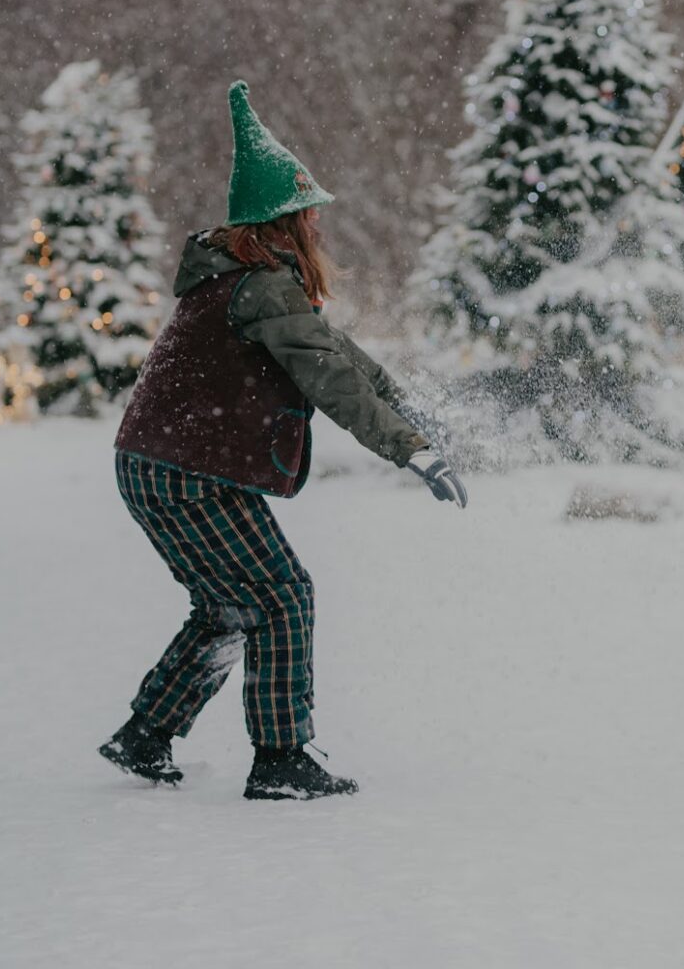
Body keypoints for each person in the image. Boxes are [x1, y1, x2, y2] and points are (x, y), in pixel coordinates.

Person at [99, 81, 467, 801]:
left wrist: (414, 414)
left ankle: (146, 736)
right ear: (283, 224)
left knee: (230, 604)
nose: (319, 230)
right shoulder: (261, 286)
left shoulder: (246, 280)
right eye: (309, 217)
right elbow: (330, 381)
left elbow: (339, 355)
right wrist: (410, 449)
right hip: (183, 472)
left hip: (151, 464)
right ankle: (280, 759)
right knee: (283, 595)